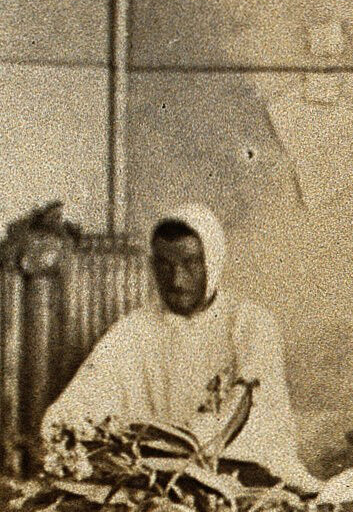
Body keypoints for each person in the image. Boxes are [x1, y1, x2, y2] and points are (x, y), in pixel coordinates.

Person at [41, 201, 313, 487]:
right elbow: (83, 398)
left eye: (190, 263)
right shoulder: (134, 329)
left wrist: (195, 447)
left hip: (236, 473)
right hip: (154, 479)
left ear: (212, 261)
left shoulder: (250, 323)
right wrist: (68, 429)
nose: (176, 280)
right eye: (164, 265)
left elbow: (259, 417)